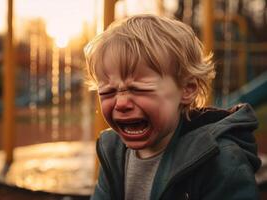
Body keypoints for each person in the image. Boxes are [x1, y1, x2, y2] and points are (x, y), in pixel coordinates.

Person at [84, 14, 261, 200]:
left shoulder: (219, 159)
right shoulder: (113, 152)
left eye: (138, 89)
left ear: (187, 89)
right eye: (107, 92)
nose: (120, 103)